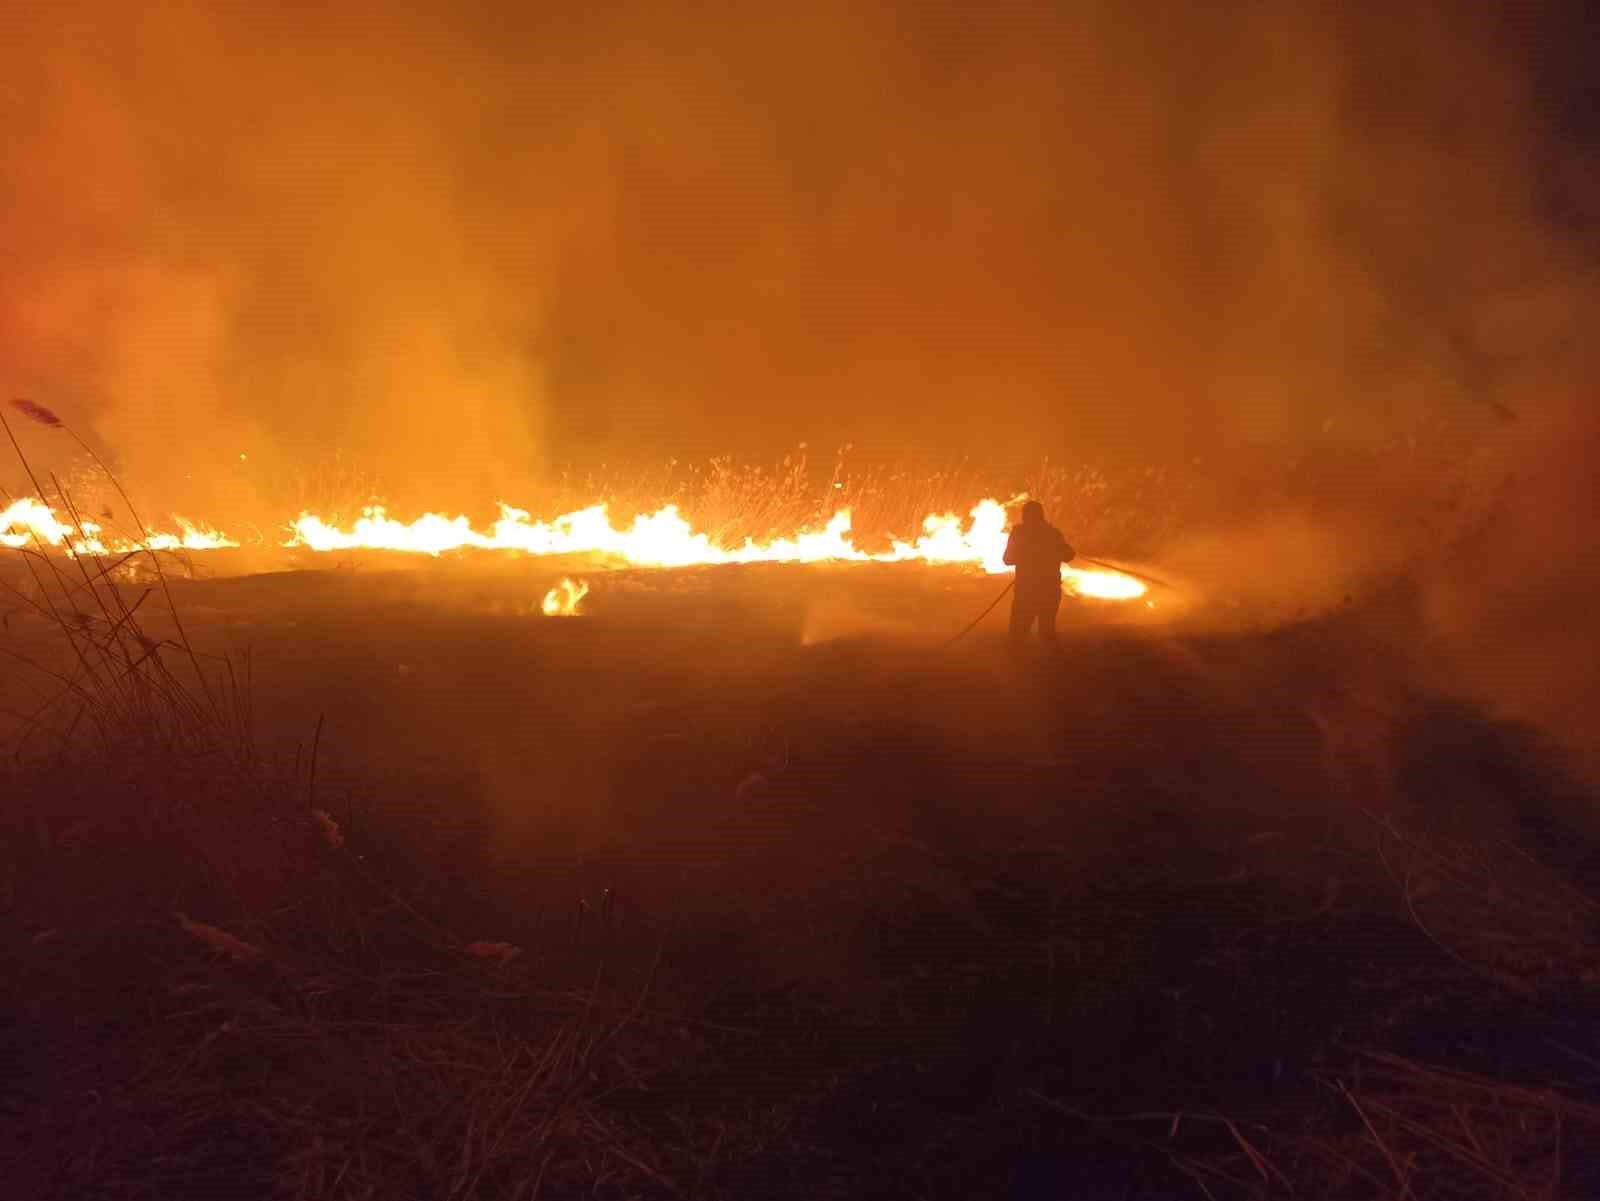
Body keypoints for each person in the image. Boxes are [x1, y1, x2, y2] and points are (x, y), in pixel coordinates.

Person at [1002, 500, 1075, 652]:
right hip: (1049, 591)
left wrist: (1025, 555)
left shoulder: (1019, 534)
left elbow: (1007, 559)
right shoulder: (1052, 534)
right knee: (1046, 632)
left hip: (1026, 592)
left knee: (1018, 635)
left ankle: (1016, 662)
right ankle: (1052, 663)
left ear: (1025, 516)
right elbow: (1069, 555)